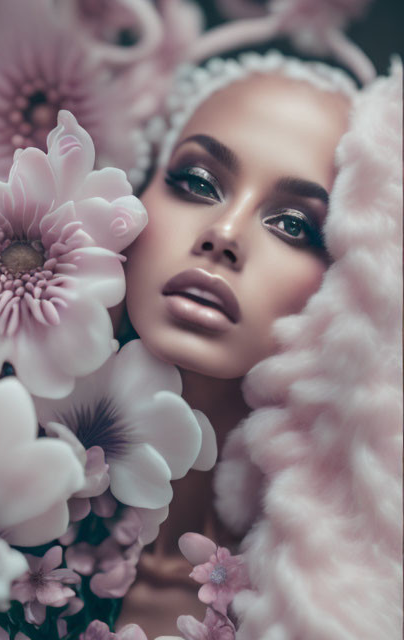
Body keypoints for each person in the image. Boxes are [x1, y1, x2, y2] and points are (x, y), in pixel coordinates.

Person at [110, 51, 402, 639]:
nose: (224, 235)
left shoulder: (334, 606)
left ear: (356, 285)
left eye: (294, 225)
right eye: (197, 183)